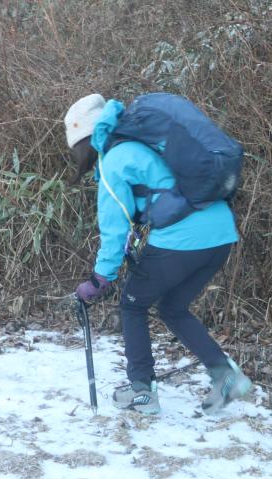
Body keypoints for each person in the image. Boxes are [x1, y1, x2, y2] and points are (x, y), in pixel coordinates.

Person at [64, 94, 251, 415]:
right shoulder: (143, 143)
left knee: (132, 304)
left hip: (184, 237)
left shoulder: (114, 161)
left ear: (84, 142)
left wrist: (99, 280)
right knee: (172, 307)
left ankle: (142, 391)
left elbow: (113, 229)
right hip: (221, 232)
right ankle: (225, 377)